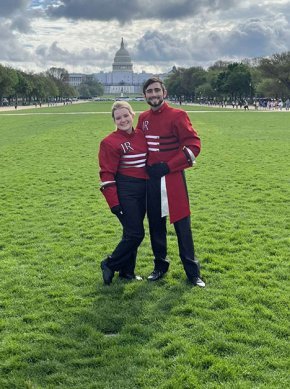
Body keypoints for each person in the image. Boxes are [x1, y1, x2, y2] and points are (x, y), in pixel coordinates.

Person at [137, 77, 205, 287]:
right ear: (145, 95)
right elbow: (140, 146)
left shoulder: (178, 115)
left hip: (173, 178)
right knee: (156, 225)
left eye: (157, 90)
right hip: (151, 180)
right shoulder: (143, 118)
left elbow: (194, 145)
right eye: (150, 91)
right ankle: (160, 266)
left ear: (164, 93)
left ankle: (193, 272)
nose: (154, 94)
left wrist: (168, 166)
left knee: (183, 226)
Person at [98, 101, 147, 285]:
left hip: (143, 191)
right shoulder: (109, 142)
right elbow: (106, 174)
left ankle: (127, 272)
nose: (123, 120)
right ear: (114, 120)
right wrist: (114, 203)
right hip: (125, 192)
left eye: (126, 115)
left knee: (130, 233)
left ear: (132, 115)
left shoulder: (142, 135)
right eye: (118, 117)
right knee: (136, 234)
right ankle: (109, 263)